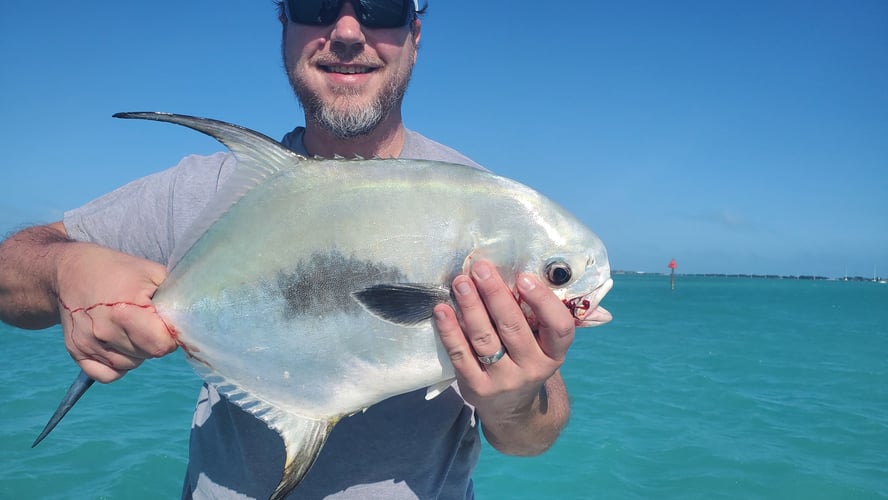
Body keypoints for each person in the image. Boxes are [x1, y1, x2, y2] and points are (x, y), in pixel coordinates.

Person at [0, 1, 578, 498]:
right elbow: (10, 272)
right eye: (315, 3)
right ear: (283, 23)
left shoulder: (489, 209)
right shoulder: (204, 189)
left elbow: (536, 435)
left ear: (415, 33)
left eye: (380, 6)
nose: (348, 32)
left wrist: (513, 403)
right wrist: (63, 267)